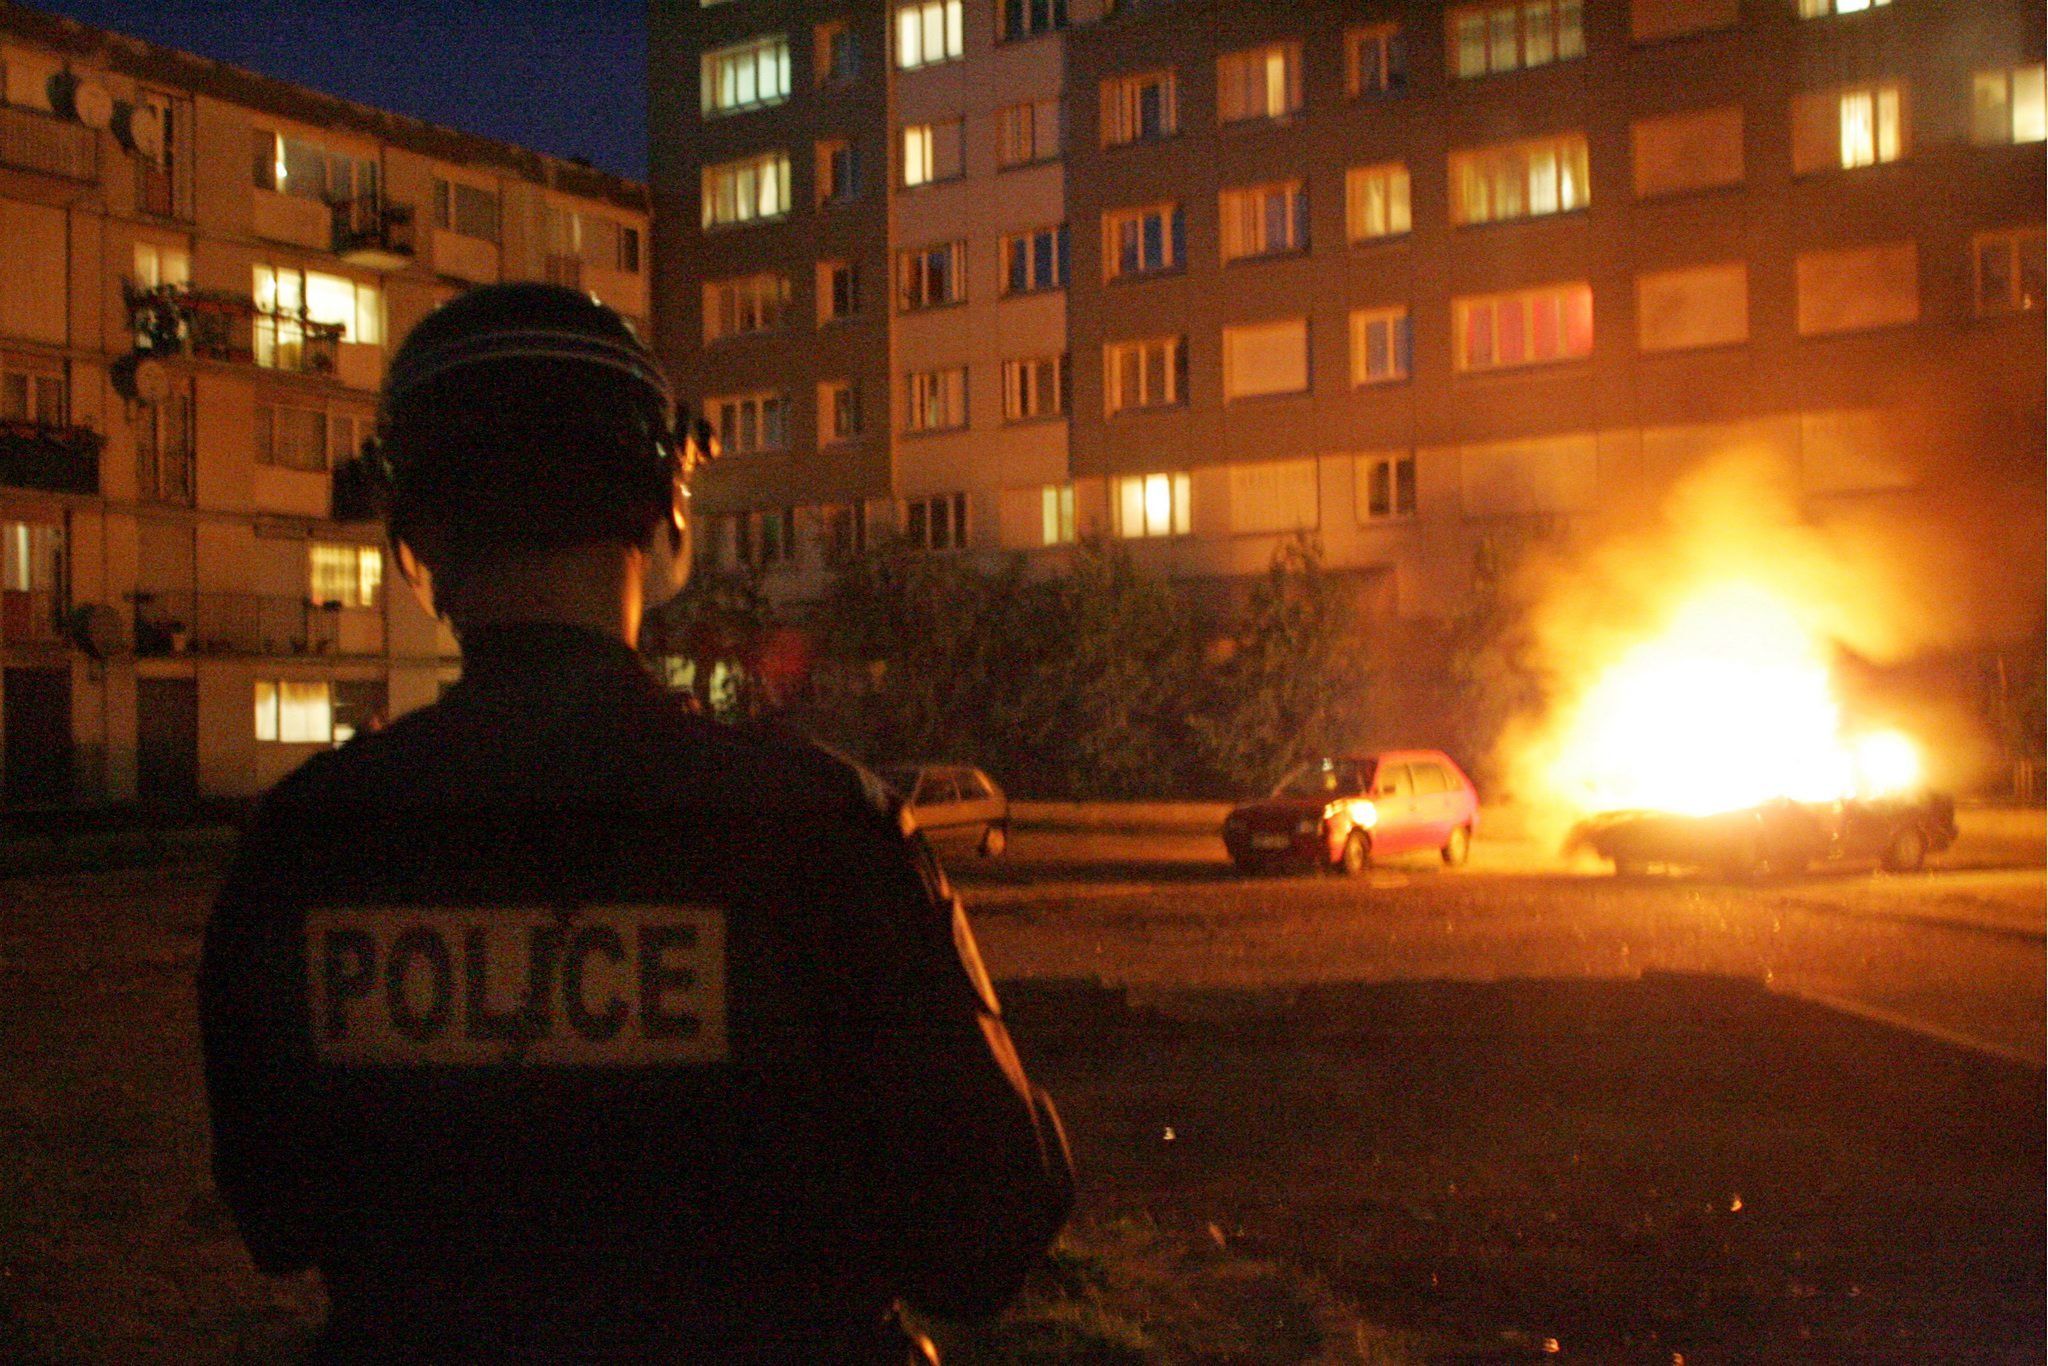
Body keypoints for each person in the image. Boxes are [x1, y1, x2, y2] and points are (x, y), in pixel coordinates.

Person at [199, 283, 1074, 1362]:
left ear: (413, 542)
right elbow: (985, 1229)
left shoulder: (305, 846)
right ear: (666, 518)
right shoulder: (819, 828)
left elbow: (277, 1214)